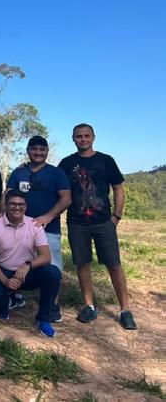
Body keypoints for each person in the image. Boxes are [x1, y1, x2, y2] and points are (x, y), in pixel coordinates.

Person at [58, 123, 136, 330]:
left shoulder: (106, 160)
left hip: (103, 222)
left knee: (114, 264)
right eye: (79, 136)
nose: (83, 139)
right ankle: (89, 306)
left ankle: (125, 310)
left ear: (93, 137)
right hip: (77, 222)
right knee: (83, 263)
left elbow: (118, 188)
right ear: (73, 139)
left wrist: (116, 216)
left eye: (86, 136)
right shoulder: (66, 163)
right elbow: (54, 183)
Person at [5, 135, 71, 317]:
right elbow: (8, 195)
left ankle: (52, 306)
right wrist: (0, 215)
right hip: (19, 228)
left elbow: (66, 198)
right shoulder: (19, 172)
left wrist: (48, 216)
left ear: (47, 151)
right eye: (34, 149)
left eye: (42, 149)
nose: (38, 152)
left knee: (52, 267)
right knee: (17, 262)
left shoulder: (56, 173)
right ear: (28, 151)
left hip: (48, 229)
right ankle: (16, 297)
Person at [0, 190, 61, 338]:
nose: (17, 207)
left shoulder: (34, 225)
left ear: (26, 206)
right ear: (6, 205)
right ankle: (4, 304)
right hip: (3, 271)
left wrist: (28, 265)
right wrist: (5, 280)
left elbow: (46, 257)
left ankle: (44, 318)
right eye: (13, 204)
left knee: (53, 273)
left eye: (21, 204)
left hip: (26, 273)